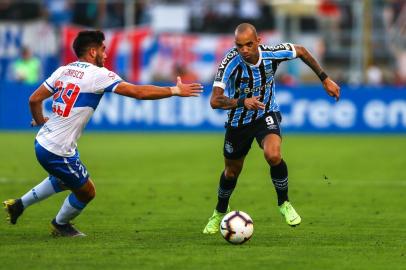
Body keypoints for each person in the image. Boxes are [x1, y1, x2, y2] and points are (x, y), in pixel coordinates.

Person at [3, 30, 202, 237]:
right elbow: (137, 92)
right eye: (103, 50)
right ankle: (60, 225)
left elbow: (34, 99)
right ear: (92, 52)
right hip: (57, 149)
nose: (105, 55)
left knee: (64, 179)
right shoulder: (98, 75)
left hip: (44, 141)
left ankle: (19, 205)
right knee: (87, 191)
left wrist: (39, 120)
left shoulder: (63, 70)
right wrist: (174, 91)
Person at [202, 23, 340, 234]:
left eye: (249, 44)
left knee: (273, 155)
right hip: (238, 121)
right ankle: (220, 211)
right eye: (240, 46)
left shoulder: (271, 53)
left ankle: (283, 203)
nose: (245, 50)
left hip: (266, 113)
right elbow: (215, 101)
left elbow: (301, 51)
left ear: (258, 41)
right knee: (231, 172)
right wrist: (242, 102)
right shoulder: (230, 62)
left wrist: (325, 79)